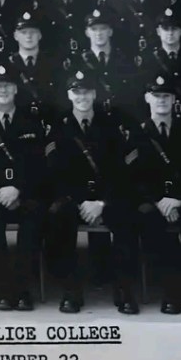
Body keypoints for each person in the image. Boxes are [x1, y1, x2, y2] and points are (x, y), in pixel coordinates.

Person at [44, 70, 138, 313]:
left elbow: (120, 170)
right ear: (69, 95)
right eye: (77, 92)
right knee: (58, 214)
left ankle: (124, 290)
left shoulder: (109, 125)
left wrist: (102, 203)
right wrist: (80, 202)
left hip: (106, 198)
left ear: (94, 94)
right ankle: (70, 290)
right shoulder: (59, 125)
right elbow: (56, 172)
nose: (82, 97)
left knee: (126, 214)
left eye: (86, 92)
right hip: (75, 200)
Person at [126, 74, 181, 315]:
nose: (161, 101)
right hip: (154, 202)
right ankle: (170, 291)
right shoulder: (136, 134)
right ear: (148, 98)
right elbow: (133, 177)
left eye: (167, 96)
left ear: (174, 100)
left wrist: (178, 200)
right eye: (157, 96)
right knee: (149, 220)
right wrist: (158, 201)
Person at [0, 64, 46, 312]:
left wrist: (18, 189)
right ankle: (3, 288)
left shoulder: (31, 121)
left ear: (15, 89)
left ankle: (23, 288)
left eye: (7, 86)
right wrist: (1, 190)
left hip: (24, 192)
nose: (2, 90)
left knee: (34, 220)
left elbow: (38, 163)